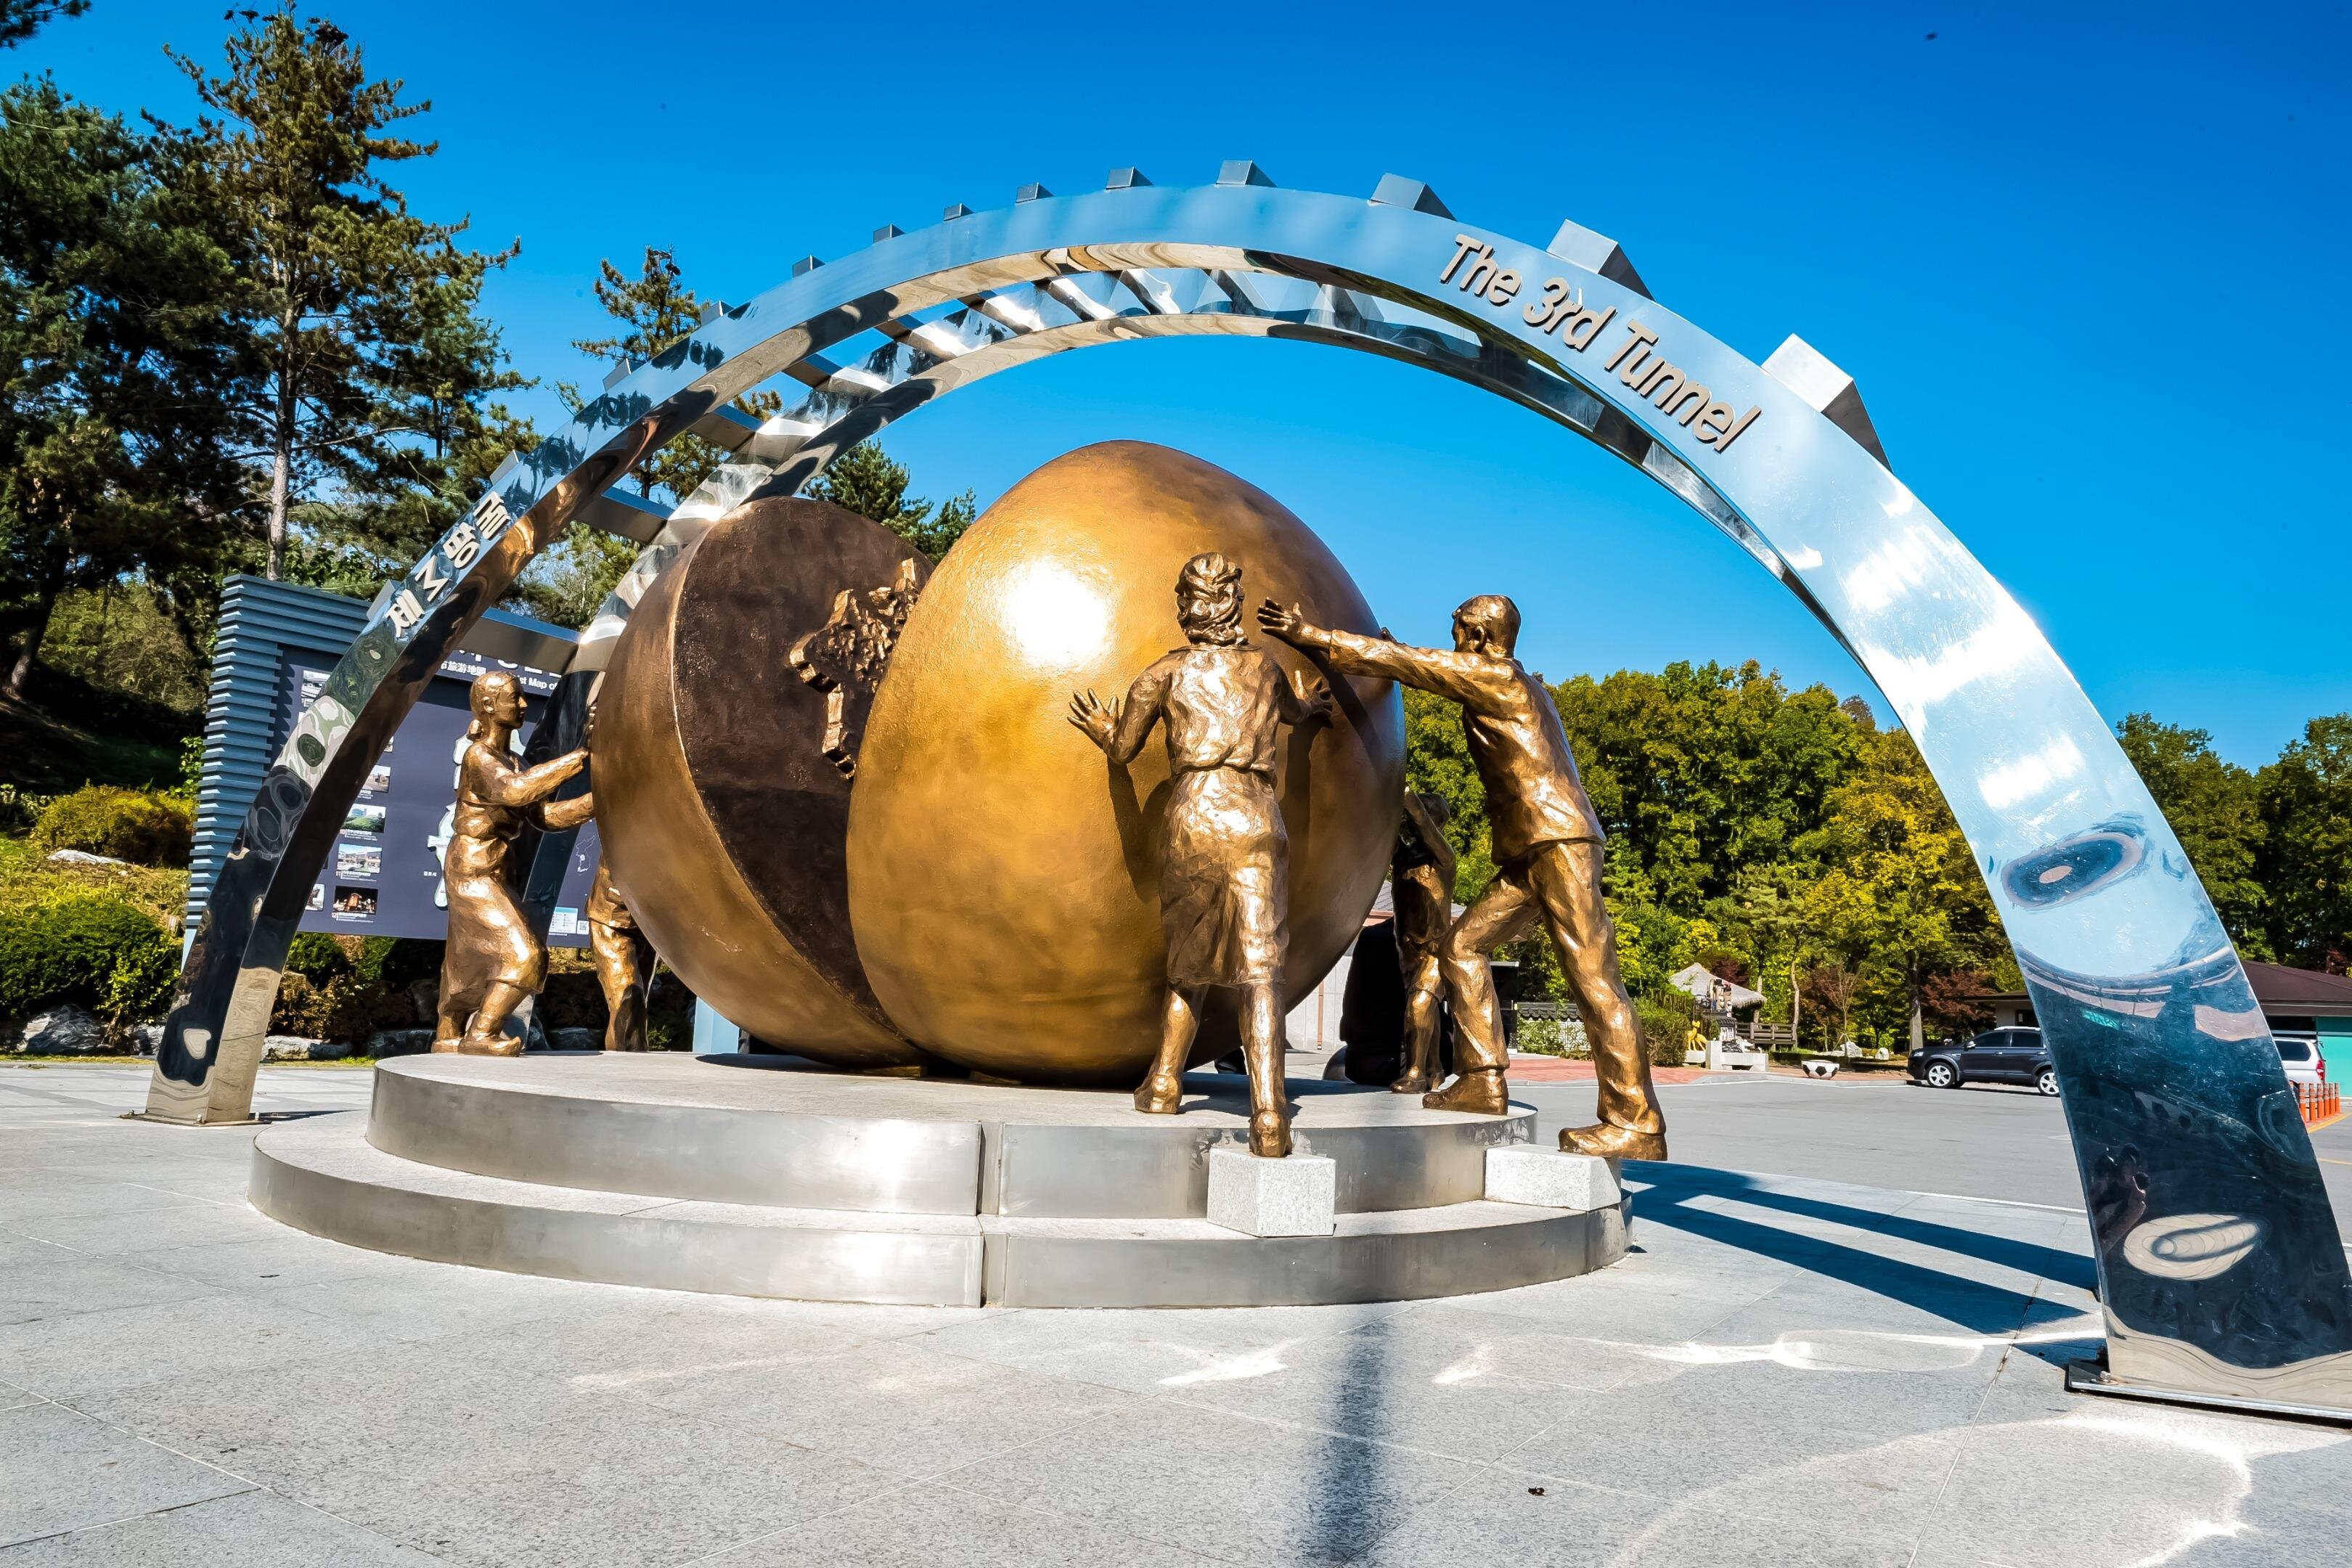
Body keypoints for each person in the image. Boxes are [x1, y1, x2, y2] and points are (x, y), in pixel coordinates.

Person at [1258, 593, 1665, 1158]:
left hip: (1557, 843)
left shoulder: (1498, 676)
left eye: (1458, 629)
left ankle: (1635, 1120)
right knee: (1461, 948)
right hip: (1532, 851)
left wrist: (1310, 635)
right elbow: (1421, 664)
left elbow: (1412, 666)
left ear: (1478, 637)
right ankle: (1482, 1080)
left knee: (1594, 979)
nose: (1452, 639)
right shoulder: (1510, 682)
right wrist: (1398, 651)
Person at [1069, 552, 1331, 1157]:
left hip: (1194, 813)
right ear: (1233, 605)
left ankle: (1165, 1084)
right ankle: (1270, 1114)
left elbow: (1123, 749)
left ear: (1190, 608)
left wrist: (1104, 728)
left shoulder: (1164, 674)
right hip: (1256, 813)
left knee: (1189, 964)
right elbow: (1295, 712)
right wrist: (1309, 708)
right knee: (1261, 971)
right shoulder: (1266, 668)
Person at [431, 672, 594, 1056]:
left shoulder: (517, 762)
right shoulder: (479, 756)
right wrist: (580, 758)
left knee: (467, 958)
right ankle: (481, 1034)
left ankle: (448, 1033)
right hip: (472, 868)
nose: (523, 705)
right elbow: (514, 791)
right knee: (525, 954)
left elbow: (545, 817)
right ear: (489, 706)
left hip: (498, 868)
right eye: (514, 697)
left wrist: (600, 800)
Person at [1389, 791, 1459, 1095]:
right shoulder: (1404, 858)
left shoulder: (1444, 857)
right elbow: (1385, 832)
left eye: (1420, 815)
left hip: (1436, 950)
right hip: (1409, 950)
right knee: (1425, 1010)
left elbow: (1426, 829)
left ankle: (1415, 1073)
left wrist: (1404, 796)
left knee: (1419, 1004)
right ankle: (1434, 1069)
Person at [584, 862, 654, 1053]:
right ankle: (628, 1065)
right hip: (611, 918)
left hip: (651, 924)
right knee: (628, 1001)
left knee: (635, 1008)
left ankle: (623, 1060)